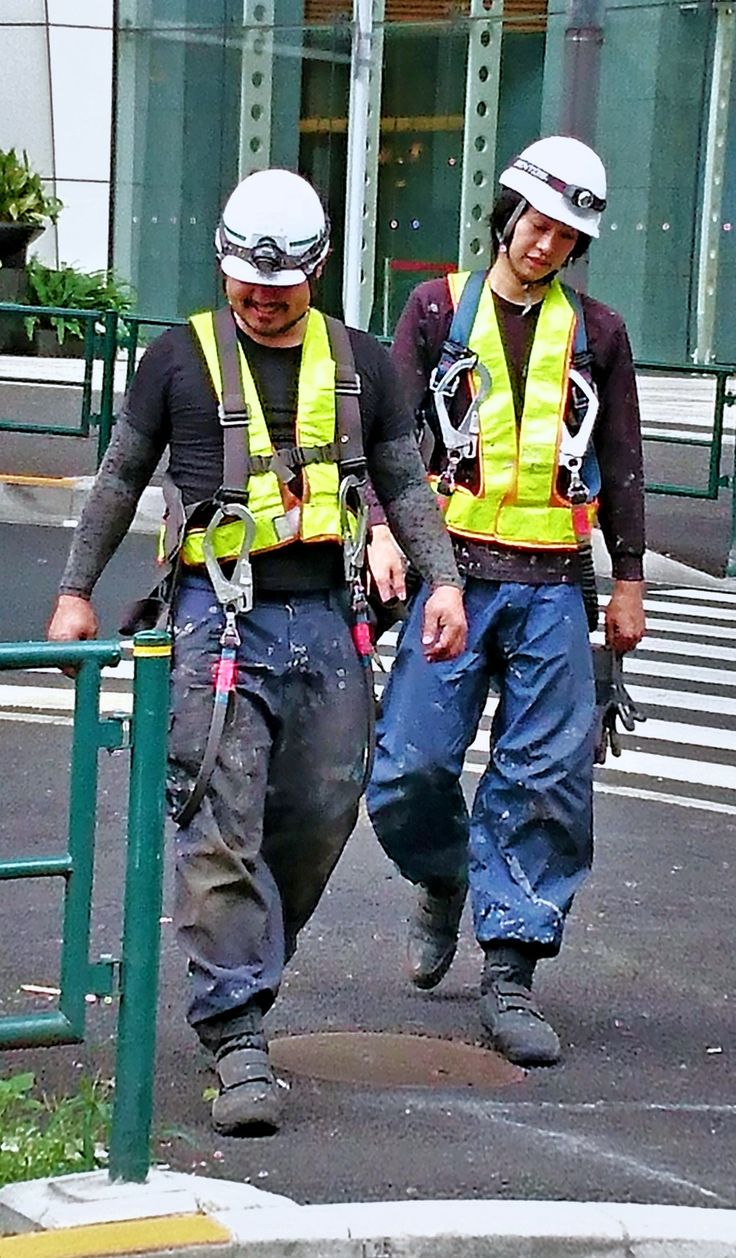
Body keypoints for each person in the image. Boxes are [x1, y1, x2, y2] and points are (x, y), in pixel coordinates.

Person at [47, 168, 466, 1135]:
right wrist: (74, 592)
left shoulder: (364, 363)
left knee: (320, 817)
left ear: (317, 271)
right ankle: (235, 1029)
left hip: (329, 619)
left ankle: (246, 974)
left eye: (280, 290)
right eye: (246, 286)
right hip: (213, 622)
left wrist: (442, 580)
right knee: (217, 822)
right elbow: (118, 480)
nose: (262, 303)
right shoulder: (176, 361)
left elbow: (402, 481)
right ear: (224, 268)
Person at [366, 136, 646, 1067]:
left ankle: (511, 972)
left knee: (547, 779)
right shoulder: (436, 307)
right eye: (536, 221)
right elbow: (391, 434)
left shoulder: (599, 335)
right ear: (506, 213)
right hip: (456, 578)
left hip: (556, 587)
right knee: (408, 766)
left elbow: (625, 465)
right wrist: (380, 532)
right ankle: (445, 879)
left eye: (565, 233)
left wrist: (630, 579)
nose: (544, 242)